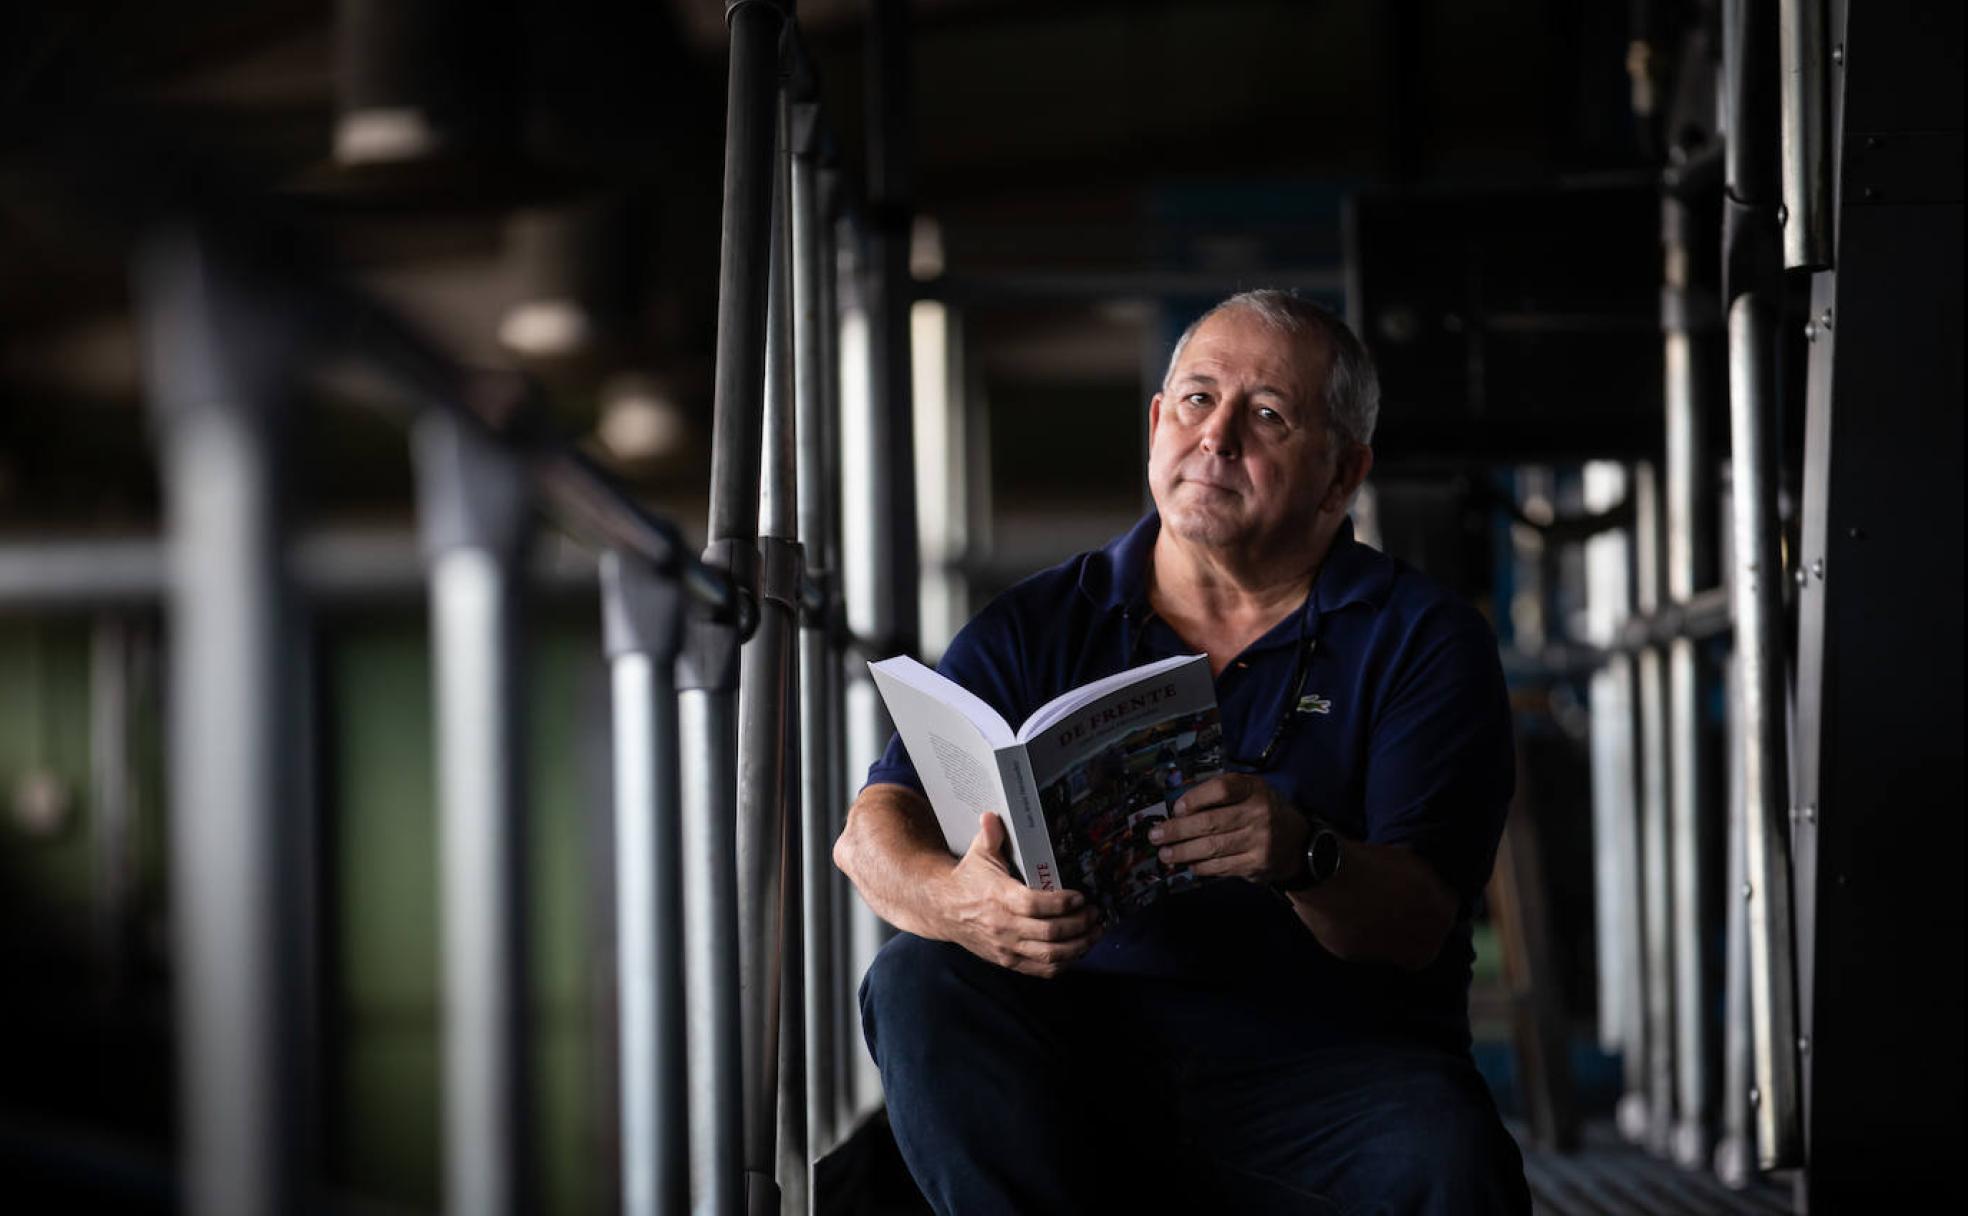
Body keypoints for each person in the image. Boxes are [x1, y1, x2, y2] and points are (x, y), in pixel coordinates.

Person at [833, 290, 1531, 1215]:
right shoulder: (1041, 622)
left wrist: (1301, 854)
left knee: (1452, 1160)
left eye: (1269, 416)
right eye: (1198, 401)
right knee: (917, 976)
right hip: (1079, 1066)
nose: (1219, 436)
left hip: (1331, 1078)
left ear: (1341, 473)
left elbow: (1414, 928)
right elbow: (870, 832)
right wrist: (961, 903)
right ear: (1158, 423)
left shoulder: (1423, 639)